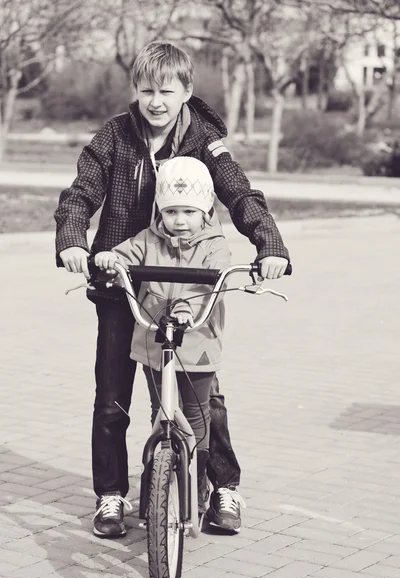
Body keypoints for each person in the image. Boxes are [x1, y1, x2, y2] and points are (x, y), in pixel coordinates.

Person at [54, 40, 290, 538]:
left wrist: (269, 245)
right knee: (112, 394)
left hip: (191, 286)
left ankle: (222, 488)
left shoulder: (204, 139)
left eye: (165, 90)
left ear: (186, 91)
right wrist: (74, 241)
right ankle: (112, 496)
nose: (155, 100)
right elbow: (80, 193)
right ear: (135, 92)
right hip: (124, 284)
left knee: (204, 396)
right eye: (146, 90)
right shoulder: (114, 137)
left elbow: (239, 192)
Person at [94, 157, 231, 525]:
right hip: (157, 346)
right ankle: (157, 481)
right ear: (160, 210)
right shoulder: (148, 239)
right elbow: (126, 255)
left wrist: (189, 307)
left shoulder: (213, 245)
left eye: (189, 211)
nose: (180, 220)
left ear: (205, 212)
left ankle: (198, 483)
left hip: (197, 345)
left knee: (197, 417)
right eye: (171, 211)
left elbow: (211, 284)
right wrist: (112, 258)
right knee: (161, 412)